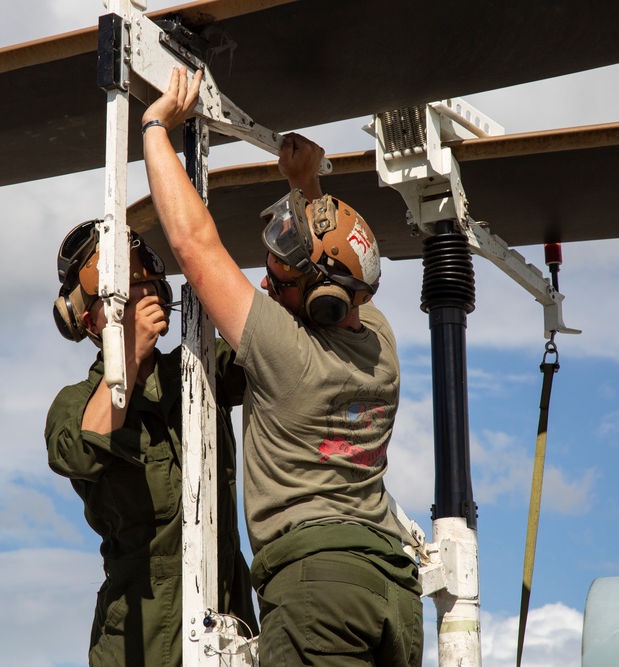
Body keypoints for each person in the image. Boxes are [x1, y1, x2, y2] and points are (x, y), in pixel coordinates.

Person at [140, 68, 423, 665]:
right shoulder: (380, 343)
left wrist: (154, 129)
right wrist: (308, 185)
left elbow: (195, 246)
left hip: (317, 592)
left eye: (280, 280)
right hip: (392, 591)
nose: (265, 282)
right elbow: (333, 260)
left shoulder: (286, 355)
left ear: (323, 301)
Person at [44, 221, 258, 667]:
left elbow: (268, 350)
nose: (136, 299)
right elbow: (80, 450)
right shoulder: (76, 403)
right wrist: (129, 354)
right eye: (117, 298)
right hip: (140, 640)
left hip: (228, 632)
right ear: (90, 321)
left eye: (143, 286)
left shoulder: (198, 365)